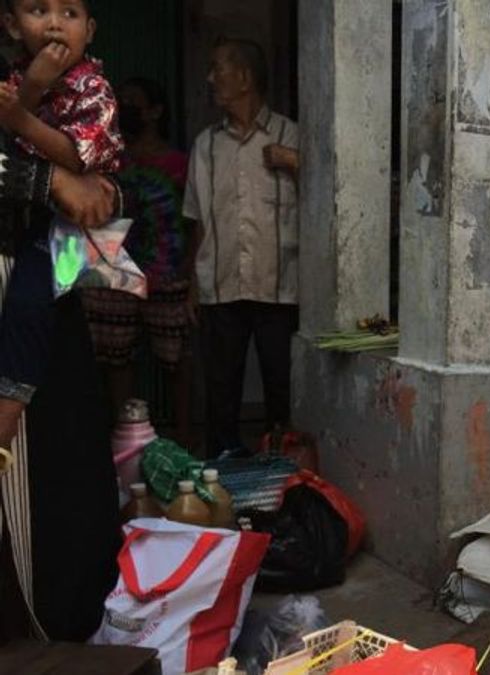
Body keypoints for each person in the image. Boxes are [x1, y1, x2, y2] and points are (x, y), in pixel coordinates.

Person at [0, 111, 125, 639]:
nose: (51, 23)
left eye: (69, 18)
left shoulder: (60, 88)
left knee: (68, 469)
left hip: (46, 282)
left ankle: (69, 628)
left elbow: (104, 198)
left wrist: (103, 195)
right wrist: (49, 181)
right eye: (37, 17)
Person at [183, 38, 300, 456]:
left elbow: (329, 203)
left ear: (246, 78)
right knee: (221, 391)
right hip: (220, 283)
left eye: (218, 68)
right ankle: (223, 471)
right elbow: (196, 217)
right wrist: (193, 287)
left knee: (282, 388)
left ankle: (281, 467)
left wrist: (296, 163)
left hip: (280, 287)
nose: (211, 78)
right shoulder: (205, 145)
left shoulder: (293, 136)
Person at [81, 77, 195, 439]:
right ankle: (124, 439)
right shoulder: (109, 160)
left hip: (168, 272)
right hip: (111, 270)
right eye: (121, 102)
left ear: (156, 112)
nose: (125, 110)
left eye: (134, 103)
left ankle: (186, 439)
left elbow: (194, 221)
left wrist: (192, 273)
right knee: (116, 359)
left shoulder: (179, 164)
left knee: (177, 359)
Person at [0, 0, 121, 174]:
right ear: (14, 26)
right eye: (38, 11)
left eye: (69, 13)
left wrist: (21, 119)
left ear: (89, 30)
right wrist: (33, 84)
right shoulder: (15, 76)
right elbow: (7, 135)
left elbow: (78, 158)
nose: (55, 25)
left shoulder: (94, 89)